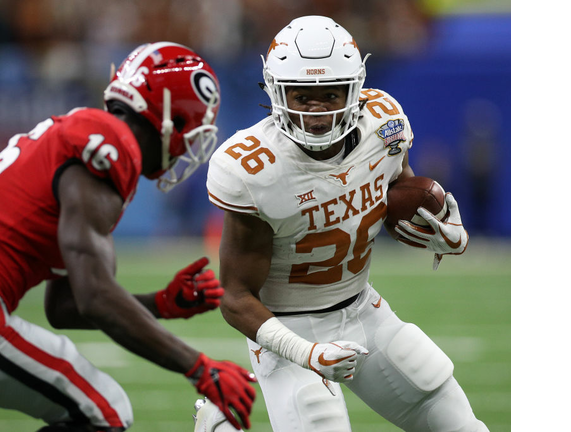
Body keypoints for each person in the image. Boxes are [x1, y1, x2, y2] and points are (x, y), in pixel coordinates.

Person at [0, 42, 257, 432]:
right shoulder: (110, 143)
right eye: (192, 130)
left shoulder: (83, 138)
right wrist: (198, 366)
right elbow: (95, 296)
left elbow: (65, 307)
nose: (189, 146)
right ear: (172, 116)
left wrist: (160, 304)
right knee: (107, 411)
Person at [197, 16, 488, 432]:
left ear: (355, 90)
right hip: (285, 329)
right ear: (276, 92)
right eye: (301, 96)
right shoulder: (252, 168)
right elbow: (235, 296)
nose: (317, 111)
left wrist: (441, 229)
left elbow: (397, 205)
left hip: (363, 310)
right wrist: (304, 353)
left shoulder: (384, 127)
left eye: (330, 95)